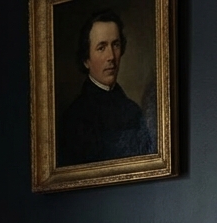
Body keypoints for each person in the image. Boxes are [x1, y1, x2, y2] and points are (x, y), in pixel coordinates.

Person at [56, 10, 155, 167]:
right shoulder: (74, 118)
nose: (111, 56)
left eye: (115, 45)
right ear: (86, 60)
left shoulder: (133, 111)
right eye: (101, 47)